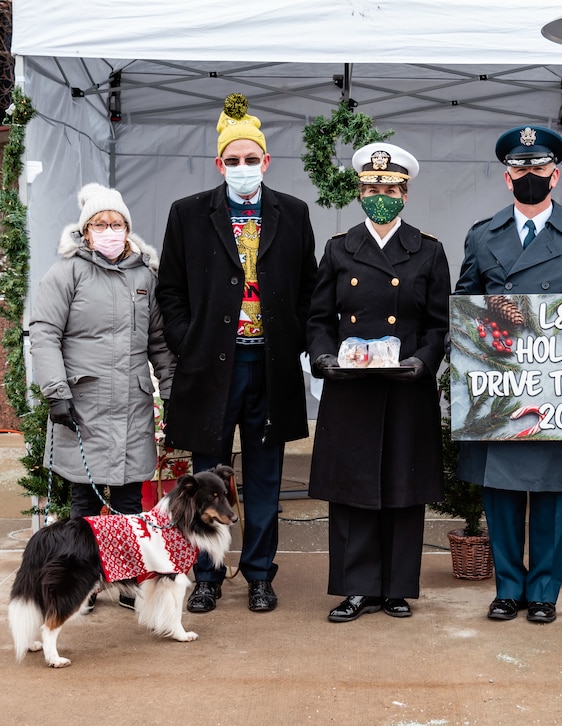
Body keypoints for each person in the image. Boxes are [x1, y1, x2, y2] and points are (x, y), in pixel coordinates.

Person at [156, 93, 317, 613]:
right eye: (233, 160)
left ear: (266, 162)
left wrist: (293, 342)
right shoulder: (187, 214)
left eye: (252, 160)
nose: (243, 168)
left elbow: (308, 289)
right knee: (207, 478)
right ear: (218, 163)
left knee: (267, 477)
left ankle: (260, 574)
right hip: (210, 370)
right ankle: (206, 574)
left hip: (269, 367)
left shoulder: (292, 213)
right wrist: (191, 344)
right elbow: (171, 293)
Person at [454, 125, 562, 625]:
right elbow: (463, 307)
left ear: (555, 174)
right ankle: (508, 589)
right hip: (501, 388)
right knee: (500, 497)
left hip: (557, 388)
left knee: (549, 495)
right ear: (508, 178)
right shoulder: (482, 236)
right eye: (521, 169)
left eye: (539, 168)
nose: (530, 175)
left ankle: (544, 592)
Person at [306, 142, 450, 623]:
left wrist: (424, 362)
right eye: (371, 188)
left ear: (405, 194)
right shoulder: (338, 248)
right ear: (360, 193)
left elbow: (438, 324)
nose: (379, 196)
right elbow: (320, 316)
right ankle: (356, 587)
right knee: (353, 490)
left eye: (389, 188)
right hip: (351, 389)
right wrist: (322, 355)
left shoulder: (427, 251)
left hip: (406, 388)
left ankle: (395, 588)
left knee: (402, 489)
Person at [30, 183, 175, 609]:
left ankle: (127, 581)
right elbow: (44, 333)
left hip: (131, 404)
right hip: (82, 406)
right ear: (86, 231)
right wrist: (56, 391)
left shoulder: (146, 276)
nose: (109, 230)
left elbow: (160, 343)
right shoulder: (66, 273)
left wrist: (171, 391)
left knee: (130, 500)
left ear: (128, 229)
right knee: (86, 501)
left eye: (117, 223)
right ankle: (84, 582)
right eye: (100, 224)